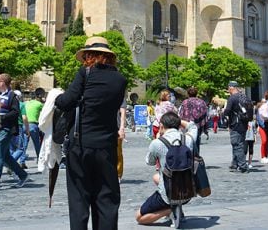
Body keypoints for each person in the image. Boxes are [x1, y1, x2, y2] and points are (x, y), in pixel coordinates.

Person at [55, 36, 127, 230]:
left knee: (79, 199)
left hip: (81, 145)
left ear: (90, 55)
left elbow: (65, 102)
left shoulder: (85, 73)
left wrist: (59, 96)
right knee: (106, 199)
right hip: (106, 146)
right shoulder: (120, 80)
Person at [135, 112, 197, 227]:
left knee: (139, 217)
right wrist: (179, 121)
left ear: (162, 126)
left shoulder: (157, 143)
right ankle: (177, 208)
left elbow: (149, 162)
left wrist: (158, 139)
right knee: (156, 178)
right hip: (188, 191)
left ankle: (171, 210)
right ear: (179, 125)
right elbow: (192, 126)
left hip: (167, 194)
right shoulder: (188, 139)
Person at [223, 81, 250, 173]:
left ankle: (243, 166)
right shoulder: (244, 96)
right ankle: (234, 164)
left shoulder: (232, 98)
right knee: (239, 143)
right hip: (244, 123)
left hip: (236, 123)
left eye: (228, 88)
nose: (228, 90)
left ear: (231, 88)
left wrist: (223, 113)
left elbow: (227, 111)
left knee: (237, 145)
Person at [178, 87, 207, 154]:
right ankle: (196, 158)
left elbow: (181, 113)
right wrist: (204, 125)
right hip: (197, 124)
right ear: (196, 93)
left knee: (187, 141)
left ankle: (188, 157)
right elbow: (205, 114)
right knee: (196, 141)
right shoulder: (201, 102)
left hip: (186, 124)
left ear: (188, 94)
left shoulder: (185, 102)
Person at [25, 88, 45, 161]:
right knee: (37, 143)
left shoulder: (27, 103)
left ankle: (22, 161)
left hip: (25, 125)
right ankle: (39, 159)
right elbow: (45, 114)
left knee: (24, 145)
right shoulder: (39, 104)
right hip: (33, 125)